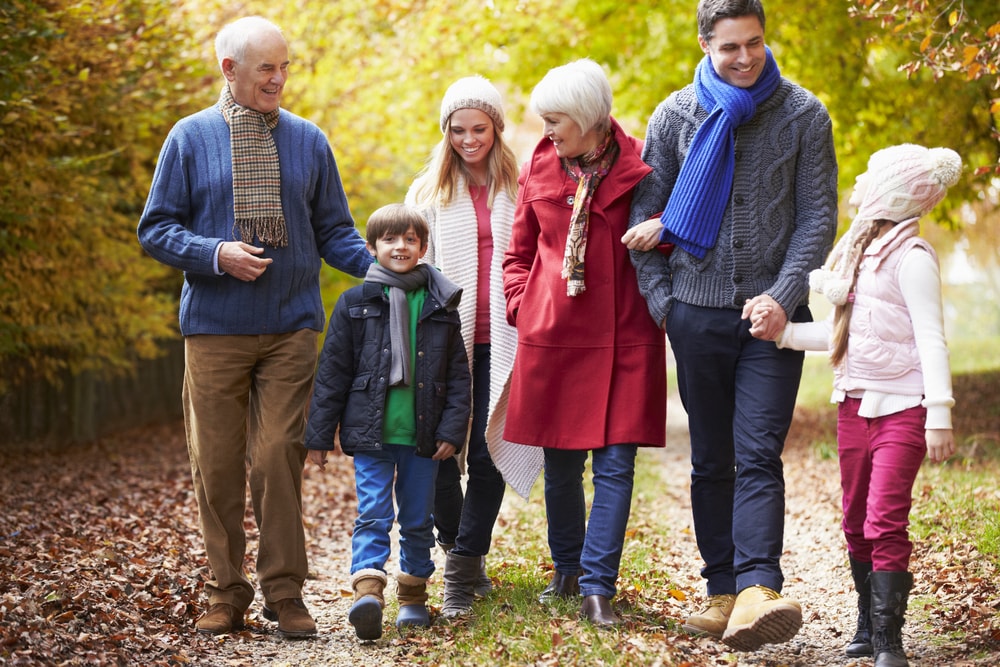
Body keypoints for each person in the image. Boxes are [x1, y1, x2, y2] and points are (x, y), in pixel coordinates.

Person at [137, 16, 373, 638]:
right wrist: (216, 254)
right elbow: (156, 228)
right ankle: (225, 590)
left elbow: (335, 233)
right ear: (229, 70)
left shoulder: (308, 140)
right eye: (266, 67)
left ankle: (285, 592)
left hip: (292, 327)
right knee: (215, 464)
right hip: (214, 329)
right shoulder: (189, 139)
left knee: (276, 457)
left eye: (285, 66)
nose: (278, 78)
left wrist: (383, 267)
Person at [622, 0, 838, 651]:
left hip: (773, 319)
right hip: (694, 314)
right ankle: (722, 588)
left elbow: (817, 218)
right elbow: (644, 222)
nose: (744, 58)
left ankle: (759, 589)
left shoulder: (804, 114)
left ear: (765, 37)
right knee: (711, 457)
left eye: (753, 43)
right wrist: (666, 306)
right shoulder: (673, 116)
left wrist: (784, 293)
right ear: (705, 44)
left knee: (758, 451)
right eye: (729, 48)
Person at [745, 144, 960, 667]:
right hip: (854, 405)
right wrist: (787, 334)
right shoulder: (860, 255)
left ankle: (889, 640)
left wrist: (940, 412)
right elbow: (849, 336)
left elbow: (931, 339)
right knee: (855, 521)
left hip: (904, 407)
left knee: (885, 520)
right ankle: (866, 621)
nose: (859, 182)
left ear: (893, 190)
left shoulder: (911, 260)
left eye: (870, 175)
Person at [502, 58, 667, 628]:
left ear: (590, 117)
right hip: (553, 336)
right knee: (562, 467)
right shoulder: (539, 166)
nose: (547, 130)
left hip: (626, 335)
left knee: (617, 466)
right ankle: (567, 572)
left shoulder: (645, 163)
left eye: (556, 119)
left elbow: (667, 239)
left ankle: (599, 586)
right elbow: (518, 251)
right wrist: (522, 305)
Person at [304, 204, 471, 641]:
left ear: (423, 247)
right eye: (390, 240)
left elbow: (458, 377)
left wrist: (453, 432)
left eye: (410, 240)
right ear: (371, 247)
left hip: (424, 437)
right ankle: (368, 592)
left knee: (418, 518)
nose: (400, 247)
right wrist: (319, 436)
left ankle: (414, 595)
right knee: (373, 513)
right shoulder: (355, 303)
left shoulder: (440, 304)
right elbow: (332, 372)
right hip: (370, 433)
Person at [405, 76, 530, 618]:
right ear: (445, 131)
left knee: (487, 453)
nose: (469, 139)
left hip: (504, 337)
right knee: (436, 452)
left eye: (479, 128)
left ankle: (461, 570)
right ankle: (461, 551)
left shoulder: (521, 185)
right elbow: (406, 267)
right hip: (442, 342)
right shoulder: (427, 192)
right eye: (458, 129)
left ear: (497, 128)